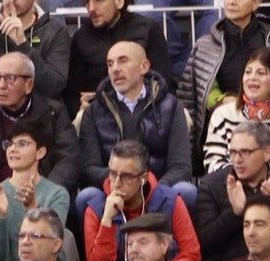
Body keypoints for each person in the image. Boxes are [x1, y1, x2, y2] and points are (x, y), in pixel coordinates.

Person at [183, 0, 270, 160]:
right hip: (223, 122)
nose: (231, 1)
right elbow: (190, 96)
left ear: (256, 3)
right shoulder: (206, 46)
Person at [76, 44, 194, 205]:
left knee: (186, 191)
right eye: (110, 64)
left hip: (159, 190)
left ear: (144, 66)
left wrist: (150, 187)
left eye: (123, 61)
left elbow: (180, 166)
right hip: (113, 190)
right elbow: (89, 169)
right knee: (87, 197)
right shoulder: (94, 111)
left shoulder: (171, 107)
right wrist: (124, 182)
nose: (115, 69)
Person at [0, 46, 81, 202]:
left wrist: (47, 192)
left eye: (10, 78)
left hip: (42, 196)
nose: (1, 86)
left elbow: (68, 159)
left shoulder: (53, 113)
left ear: (29, 85)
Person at [195, 121, 270, 261]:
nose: (237, 160)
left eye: (245, 152)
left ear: (267, 153)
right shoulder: (212, 184)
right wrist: (234, 213)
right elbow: (205, 243)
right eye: (233, 152)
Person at [81, 138, 201, 261]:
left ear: (143, 178)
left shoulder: (170, 201)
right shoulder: (95, 209)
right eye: (113, 174)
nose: (117, 183)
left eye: (126, 176)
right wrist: (107, 221)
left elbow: (192, 256)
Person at [66, 0, 172, 116]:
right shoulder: (81, 38)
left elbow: (162, 81)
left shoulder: (148, 30)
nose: (91, 8)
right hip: (97, 116)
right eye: (87, 1)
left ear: (119, 1)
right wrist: (81, 105)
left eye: (98, 0)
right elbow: (72, 94)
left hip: (146, 111)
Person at [0, 120, 71, 261]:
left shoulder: (57, 194)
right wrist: (1, 216)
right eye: (9, 144)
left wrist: (33, 209)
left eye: (22, 143)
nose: (12, 149)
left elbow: (53, 247)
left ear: (40, 152)